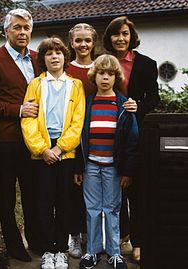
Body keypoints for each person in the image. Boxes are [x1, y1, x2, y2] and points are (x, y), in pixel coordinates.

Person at [66, 22, 137, 259]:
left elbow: (131, 141)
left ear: (116, 78)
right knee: (93, 210)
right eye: (101, 74)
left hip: (114, 168)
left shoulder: (123, 106)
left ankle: (115, 252)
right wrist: (78, 166)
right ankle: (93, 251)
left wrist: (127, 170)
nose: (105, 78)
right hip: (91, 166)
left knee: (113, 209)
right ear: (94, 77)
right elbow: (79, 138)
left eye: (110, 75)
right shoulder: (86, 104)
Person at [0, 8, 41, 262]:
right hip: (6, 139)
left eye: (26, 28)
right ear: (7, 31)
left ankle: (36, 240)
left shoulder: (37, 58)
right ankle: (14, 246)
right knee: (5, 197)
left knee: (34, 192)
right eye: (17, 27)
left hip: (35, 140)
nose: (22, 32)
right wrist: (18, 110)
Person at [21, 37, 85, 269]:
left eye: (59, 52)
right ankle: (49, 249)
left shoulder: (75, 85)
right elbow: (28, 121)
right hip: (42, 153)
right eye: (49, 53)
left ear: (65, 57)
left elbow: (77, 123)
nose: (54, 56)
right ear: (43, 59)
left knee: (65, 201)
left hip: (65, 152)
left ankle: (62, 249)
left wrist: (60, 147)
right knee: (44, 201)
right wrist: (42, 149)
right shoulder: (35, 85)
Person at [103, 16, 160, 262]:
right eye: (116, 34)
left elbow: (154, 98)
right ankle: (122, 233)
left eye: (125, 34)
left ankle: (138, 241)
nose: (121, 38)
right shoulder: (103, 63)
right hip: (107, 133)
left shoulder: (146, 64)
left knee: (137, 189)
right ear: (110, 37)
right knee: (115, 189)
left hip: (135, 133)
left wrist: (140, 106)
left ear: (131, 37)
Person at [66, 22, 97, 259]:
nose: (83, 44)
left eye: (87, 40)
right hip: (72, 136)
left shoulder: (102, 67)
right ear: (71, 43)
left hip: (98, 137)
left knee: (95, 192)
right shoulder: (66, 70)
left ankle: (92, 235)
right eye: (78, 40)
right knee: (74, 191)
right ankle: (74, 235)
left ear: (94, 42)